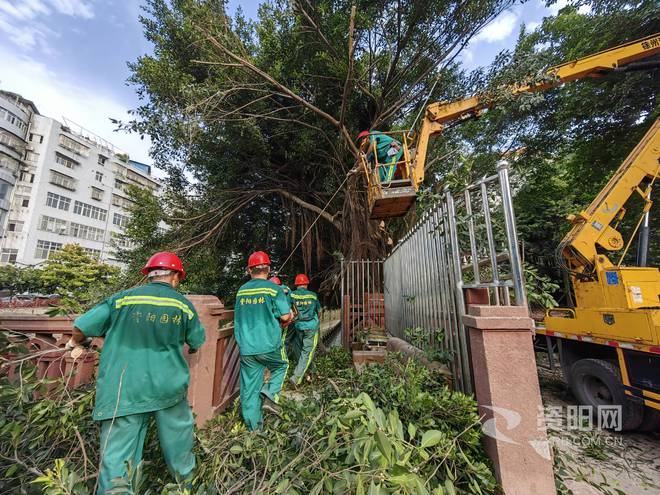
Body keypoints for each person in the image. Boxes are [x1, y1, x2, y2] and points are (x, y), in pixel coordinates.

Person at [66, 252, 206, 494]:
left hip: (124, 388)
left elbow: (81, 326)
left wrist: (75, 342)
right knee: (179, 446)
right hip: (168, 386)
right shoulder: (183, 305)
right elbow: (196, 340)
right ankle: (186, 488)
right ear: (174, 276)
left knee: (117, 458)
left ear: (149, 275)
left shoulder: (121, 300)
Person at [234, 251, 292, 430]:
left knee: (249, 390)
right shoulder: (273, 289)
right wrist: (289, 314)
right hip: (269, 346)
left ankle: (254, 431)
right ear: (268, 269)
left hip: (247, 348)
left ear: (249, 270)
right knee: (282, 365)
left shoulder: (241, 291)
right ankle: (269, 394)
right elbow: (284, 316)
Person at [289, 273, 321, 386]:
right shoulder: (313, 295)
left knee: (300, 350)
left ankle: (313, 371)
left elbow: (288, 310)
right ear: (306, 284)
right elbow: (319, 311)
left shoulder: (291, 295)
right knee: (307, 352)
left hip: (298, 326)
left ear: (297, 285)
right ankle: (296, 377)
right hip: (311, 327)